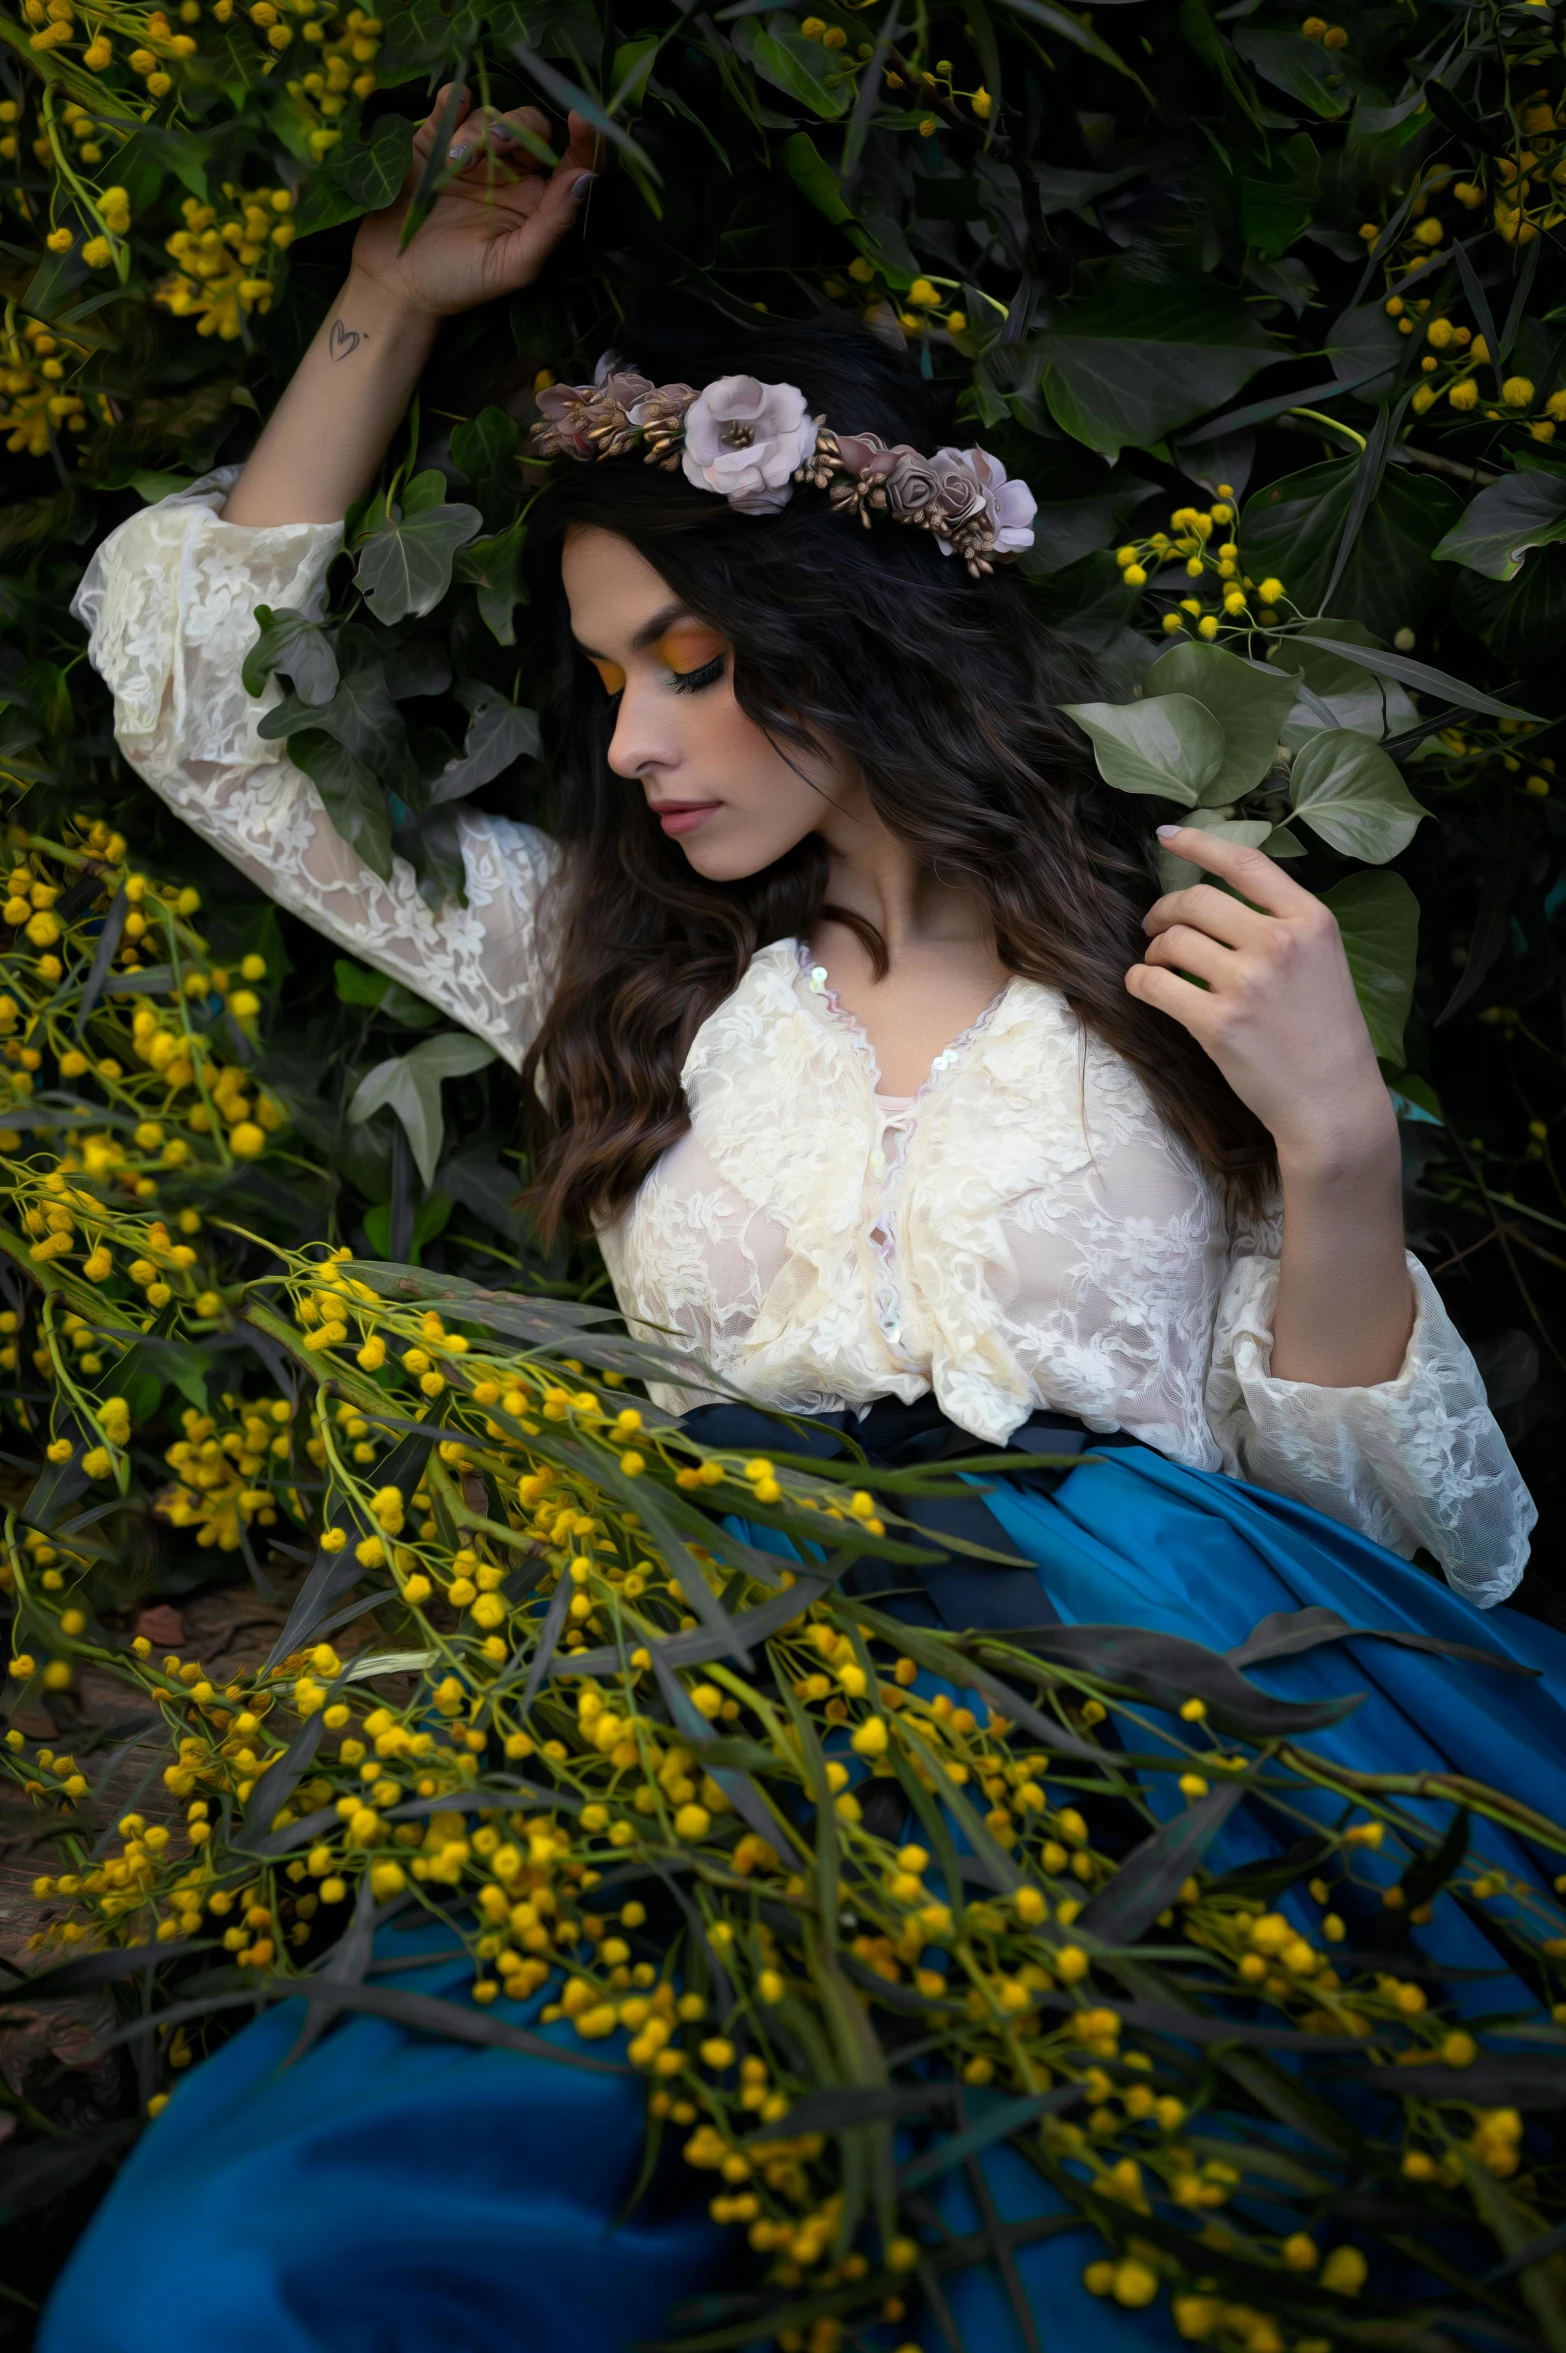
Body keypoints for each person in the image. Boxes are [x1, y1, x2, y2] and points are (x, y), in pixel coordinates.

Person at [43, 85, 1562, 2353]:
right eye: (602, 676)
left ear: (839, 615)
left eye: (686, 657)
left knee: (1112, 2241)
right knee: (238, 2270)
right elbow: (206, 722)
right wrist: (384, 302)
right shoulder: (603, 969)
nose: (638, 738)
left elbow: (1386, 1535)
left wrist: (1341, 1156)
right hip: (722, 1687)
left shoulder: (1165, 961)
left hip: (1152, 1685)